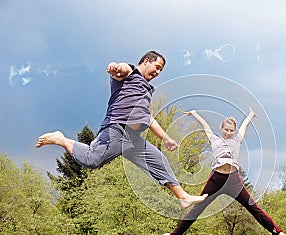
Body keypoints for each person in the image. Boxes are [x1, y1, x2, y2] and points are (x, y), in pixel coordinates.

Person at [36, 50, 206, 208]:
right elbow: (122, 69)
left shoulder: (146, 90)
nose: (158, 72)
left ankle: (182, 196)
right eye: (157, 67)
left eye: (161, 70)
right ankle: (61, 139)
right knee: (92, 160)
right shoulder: (131, 75)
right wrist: (116, 67)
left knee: (158, 160)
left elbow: (150, 119)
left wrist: (166, 138)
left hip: (133, 138)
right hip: (116, 130)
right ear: (147, 61)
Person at [161, 108, 286, 235]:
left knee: (253, 207)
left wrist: (251, 115)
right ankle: (174, 234)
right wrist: (194, 113)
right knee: (198, 207)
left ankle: (277, 232)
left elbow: (245, 125)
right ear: (221, 128)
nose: (229, 133)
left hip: (233, 180)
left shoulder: (237, 140)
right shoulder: (214, 139)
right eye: (226, 130)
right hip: (216, 180)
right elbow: (205, 125)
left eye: (231, 130)